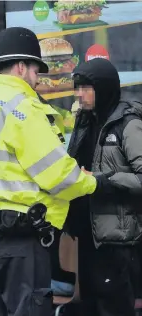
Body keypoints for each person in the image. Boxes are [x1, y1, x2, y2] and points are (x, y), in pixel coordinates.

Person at [0, 27, 99, 316]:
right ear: (21, 67)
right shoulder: (23, 108)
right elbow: (58, 175)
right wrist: (91, 181)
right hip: (18, 240)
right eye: (36, 71)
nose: (37, 79)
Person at [66, 58, 142, 316]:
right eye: (77, 88)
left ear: (104, 88)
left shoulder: (128, 124)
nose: (79, 94)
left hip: (117, 240)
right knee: (88, 305)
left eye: (86, 88)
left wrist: (105, 180)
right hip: (87, 234)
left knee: (114, 308)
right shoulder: (85, 121)